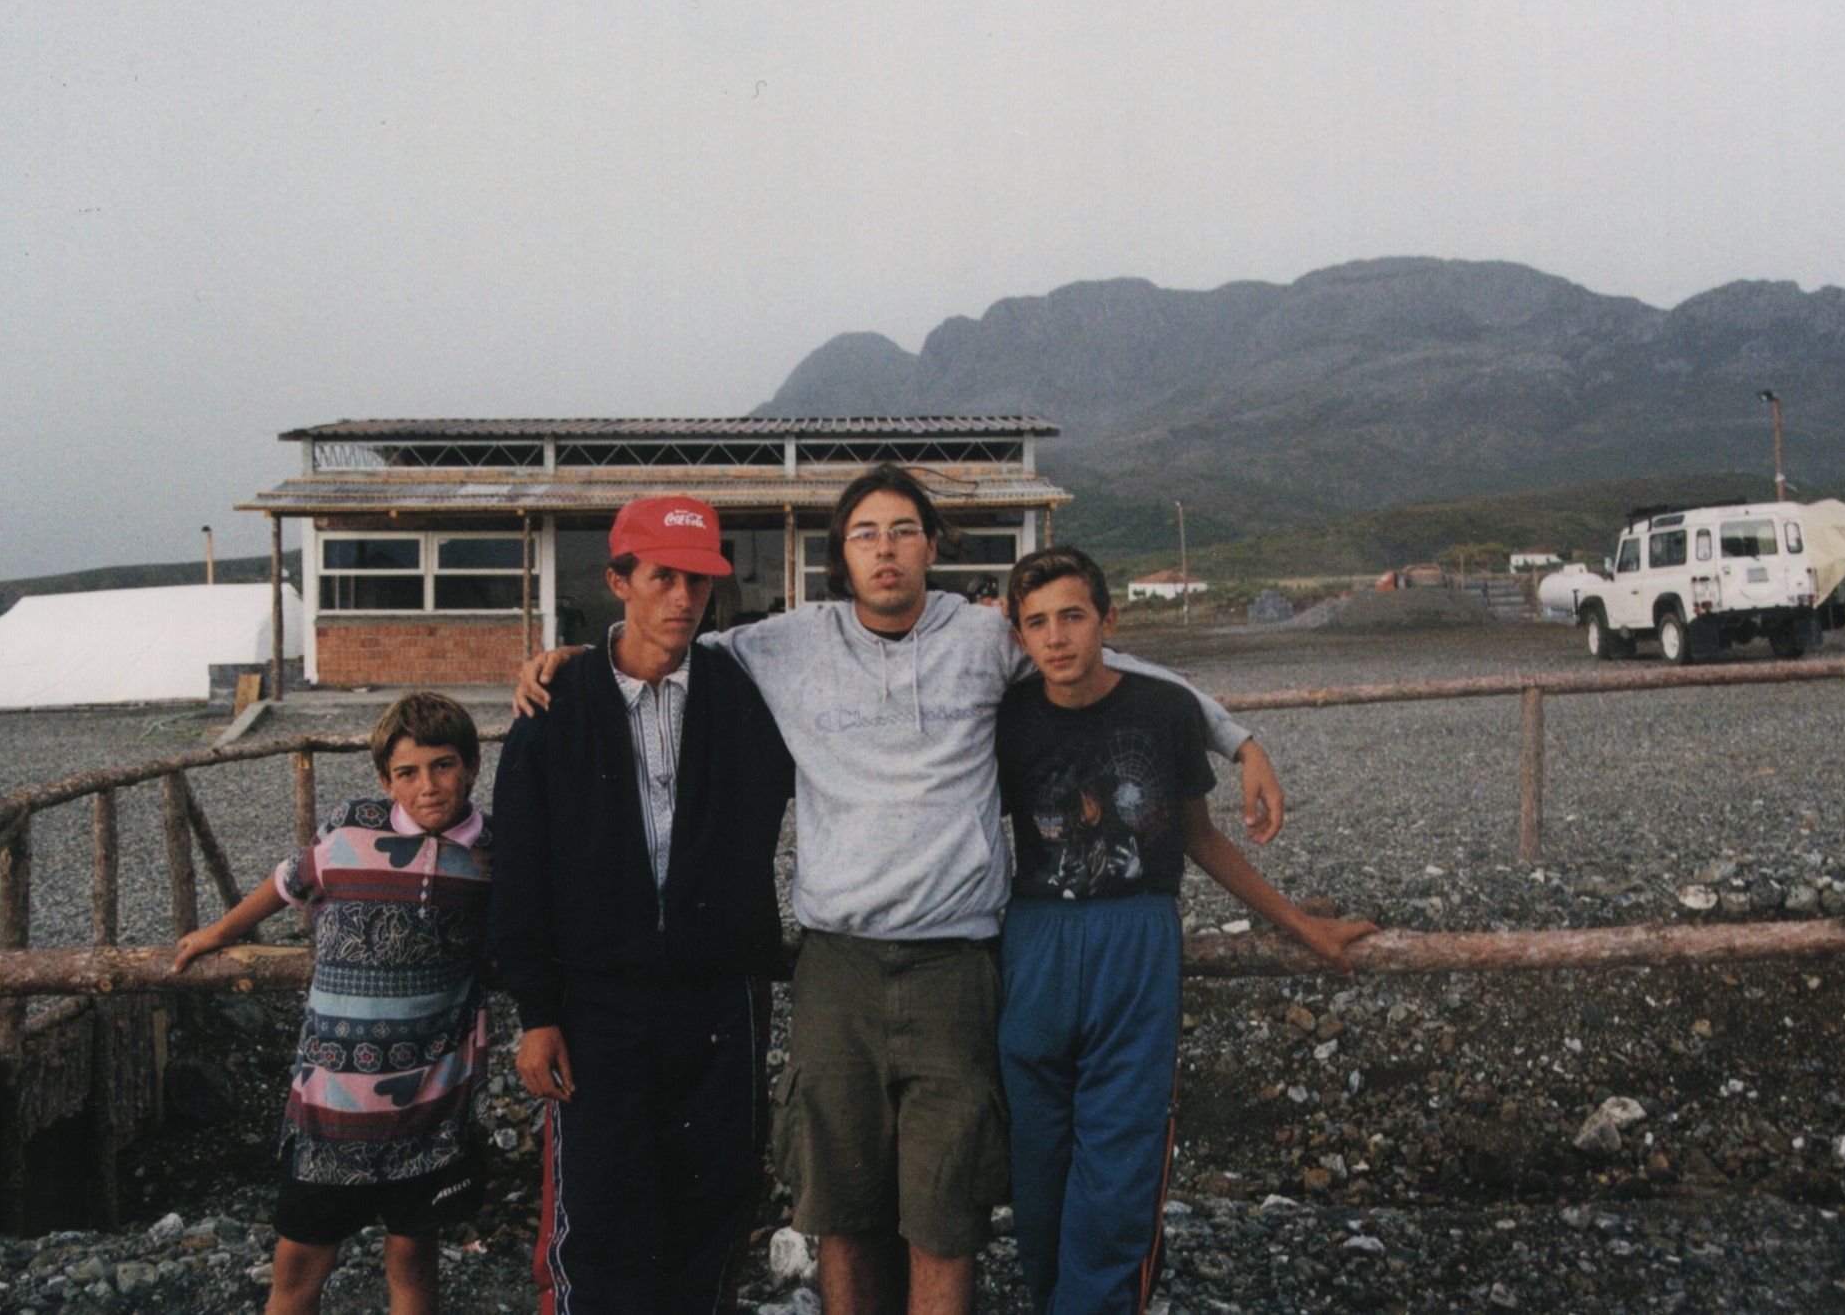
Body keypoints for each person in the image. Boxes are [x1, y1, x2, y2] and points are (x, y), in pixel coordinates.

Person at [515, 464, 1288, 1315]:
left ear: (931, 546)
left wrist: (1237, 738)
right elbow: (659, 652)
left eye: (902, 532)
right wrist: (571, 661)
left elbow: (1104, 661)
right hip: (837, 964)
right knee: (841, 1212)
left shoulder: (985, 637)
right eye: (865, 534)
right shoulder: (785, 644)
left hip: (956, 962)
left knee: (945, 1213)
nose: (884, 551)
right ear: (840, 554)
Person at [996, 545, 1376, 1314]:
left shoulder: (1164, 710)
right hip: (1035, 939)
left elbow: (1200, 837)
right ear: (1019, 634)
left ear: (1108, 620)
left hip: (1136, 938)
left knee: (1120, 1166)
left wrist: (1300, 923)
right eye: (1036, 623)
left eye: (1073, 616)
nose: (1056, 638)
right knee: (1036, 1167)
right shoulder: (1006, 717)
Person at [489, 495, 794, 1315]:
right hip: (598, 1001)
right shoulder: (554, 706)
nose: (683, 598)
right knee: (600, 1208)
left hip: (719, 998)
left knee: (714, 1200)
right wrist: (535, 1012)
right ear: (618, 581)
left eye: (699, 580)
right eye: (663, 577)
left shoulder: (746, 694)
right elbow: (518, 868)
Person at [172, 692, 494, 1315]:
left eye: (443, 765)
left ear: (472, 766)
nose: (428, 786)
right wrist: (220, 931)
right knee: (298, 1264)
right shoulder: (349, 829)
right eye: (407, 772)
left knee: (413, 1259)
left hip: (431, 1106)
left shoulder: (493, 855)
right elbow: (287, 880)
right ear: (386, 781)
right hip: (329, 1106)